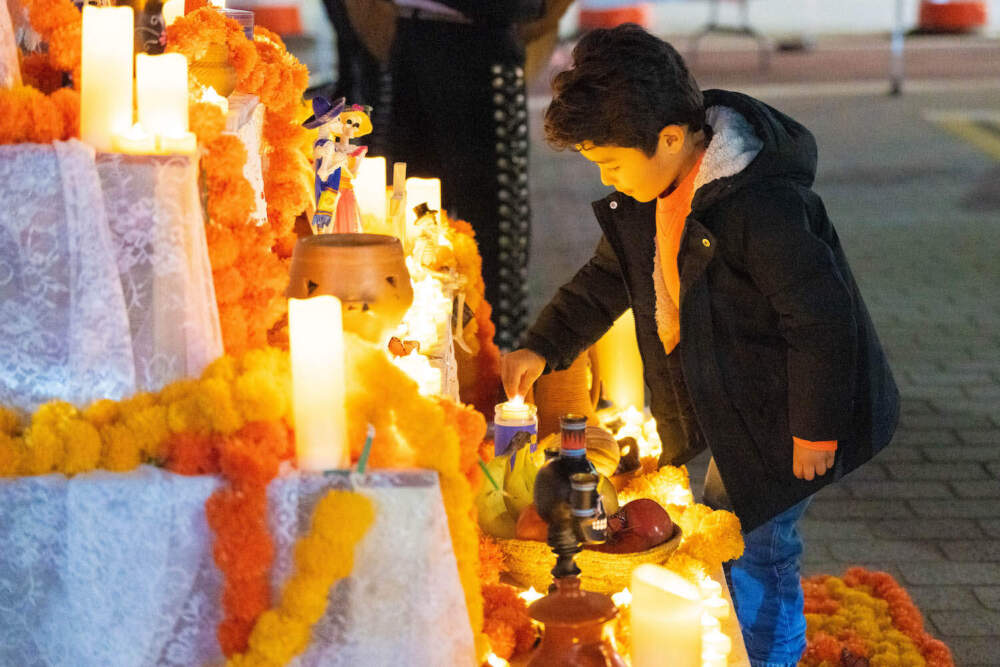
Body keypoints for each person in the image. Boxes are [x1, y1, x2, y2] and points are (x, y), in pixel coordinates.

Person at [501, 24, 899, 667]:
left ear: (668, 138)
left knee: (755, 545)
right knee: (725, 529)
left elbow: (821, 318)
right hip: (737, 396)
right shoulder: (649, 194)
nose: (606, 177)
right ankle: (743, 638)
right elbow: (606, 281)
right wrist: (542, 346)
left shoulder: (759, 205)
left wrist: (815, 429)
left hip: (789, 407)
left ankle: (771, 653)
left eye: (610, 163)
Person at [382, 0, 544, 349]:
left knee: (492, 226)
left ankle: (500, 365)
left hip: (477, 41)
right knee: (414, 212)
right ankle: (427, 350)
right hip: (410, 33)